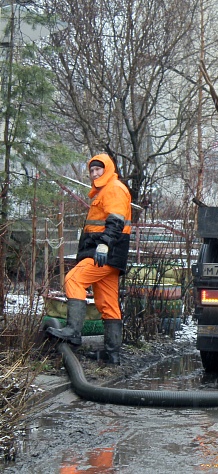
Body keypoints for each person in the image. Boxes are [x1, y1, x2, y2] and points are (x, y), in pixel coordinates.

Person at [47, 154, 132, 365]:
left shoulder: (114, 188)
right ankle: (112, 354)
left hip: (103, 253)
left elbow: (116, 221)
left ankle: (73, 331)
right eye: (92, 170)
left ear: (108, 169)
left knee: (73, 279)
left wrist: (104, 245)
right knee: (108, 303)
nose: (95, 174)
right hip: (109, 256)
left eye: (98, 169)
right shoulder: (104, 192)